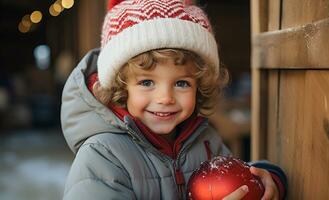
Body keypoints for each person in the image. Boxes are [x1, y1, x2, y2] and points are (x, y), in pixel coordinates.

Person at [61, 0, 287, 199]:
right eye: (147, 82)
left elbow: (235, 177)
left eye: (181, 83)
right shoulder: (102, 156)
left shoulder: (205, 141)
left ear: (199, 86)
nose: (165, 98)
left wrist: (266, 180)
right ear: (122, 88)